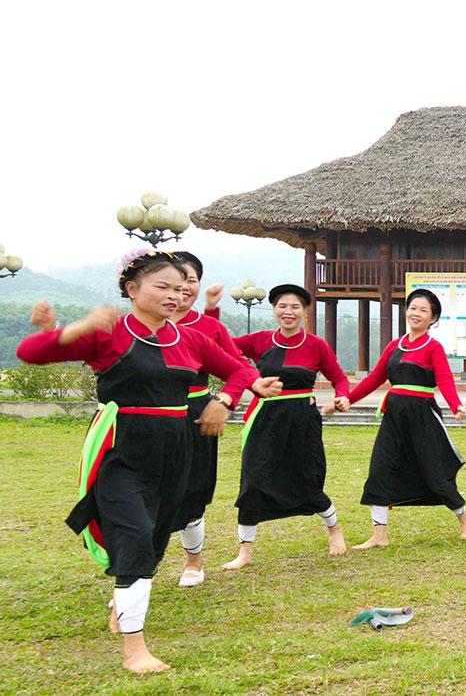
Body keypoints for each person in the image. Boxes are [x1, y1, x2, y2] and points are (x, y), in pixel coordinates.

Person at [17, 250, 276, 674]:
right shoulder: (109, 332)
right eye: (163, 287)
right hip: (122, 448)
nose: (175, 295)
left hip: (175, 450)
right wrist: (77, 329)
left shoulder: (189, 338)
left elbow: (239, 371)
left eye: (180, 288)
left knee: (154, 538)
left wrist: (223, 400)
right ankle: (135, 649)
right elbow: (30, 352)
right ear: (132, 289)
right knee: (134, 533)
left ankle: (125, 602)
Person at [326, 288, 466, 543]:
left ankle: (465, 518)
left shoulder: (433, 347)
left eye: (423, 310)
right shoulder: (395, 345)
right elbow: (375, 378)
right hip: (393, 416)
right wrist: (347, 399)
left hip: (422, 416)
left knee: (434, 473)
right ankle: (379, 534)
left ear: (433, 319)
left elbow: (445, 379)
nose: (416, 313)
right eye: (413, 308)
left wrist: (456, 405)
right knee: (380, 470)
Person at [221, 284, 352, 571]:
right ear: (274, 309)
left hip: (302, 420)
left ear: (305, 312)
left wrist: (342, 396)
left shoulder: (316, 345)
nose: (288, 312)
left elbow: (339, 378)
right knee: (254, 479)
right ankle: (245, 551)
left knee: (308, 477)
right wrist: (209, 311)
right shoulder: (259, 340)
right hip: (265, 419)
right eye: (282, 306)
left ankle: (334, 529)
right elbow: (220, 348)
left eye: (295, 307)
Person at [167, 252, 255, 587]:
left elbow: (238, 366)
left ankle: (194, 561)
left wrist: (228, 397)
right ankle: (133, 576)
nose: (182, 288)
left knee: (193, 489)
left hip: (196, 413)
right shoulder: (136, 327)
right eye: (175, 281)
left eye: (190, 280)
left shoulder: (206, 327)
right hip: (149, 417)